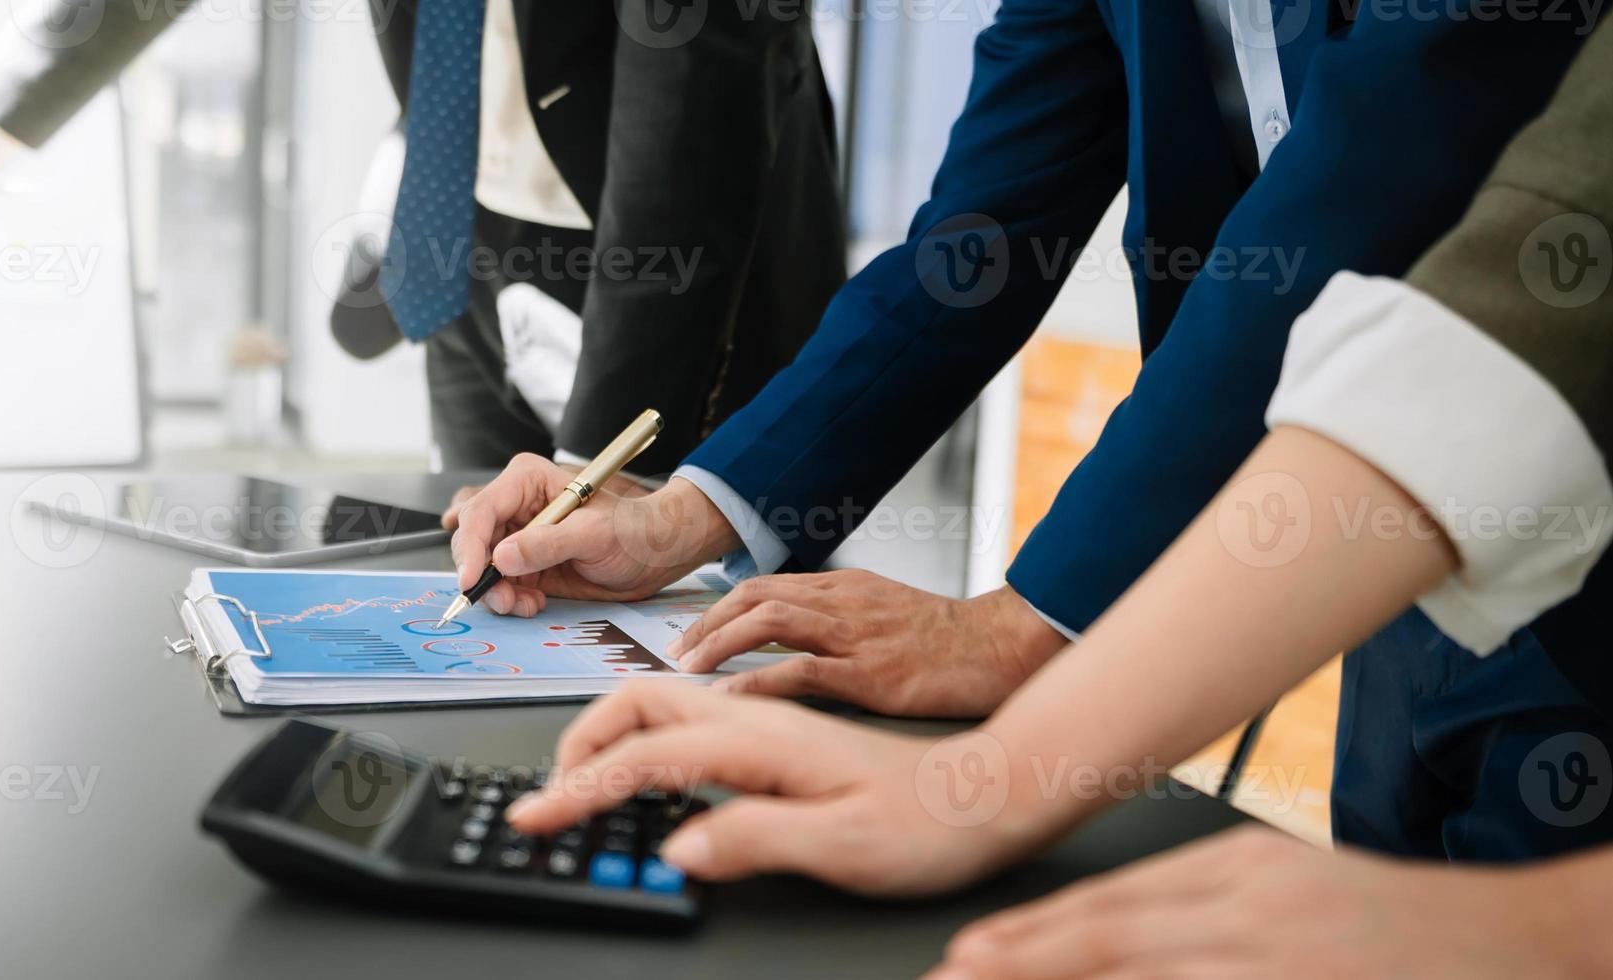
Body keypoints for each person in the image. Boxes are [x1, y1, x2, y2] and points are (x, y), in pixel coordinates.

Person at [508, 25, 1613, 976]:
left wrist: (1021, 643)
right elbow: (981, 226)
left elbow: (1390, 210)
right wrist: (690, 513)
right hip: (1366, 521)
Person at [0, 0, 847, 470]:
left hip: (679, 248)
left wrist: (597, 470)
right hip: (460, 222)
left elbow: (684, 125)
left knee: (687, 610)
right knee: (489, 571)